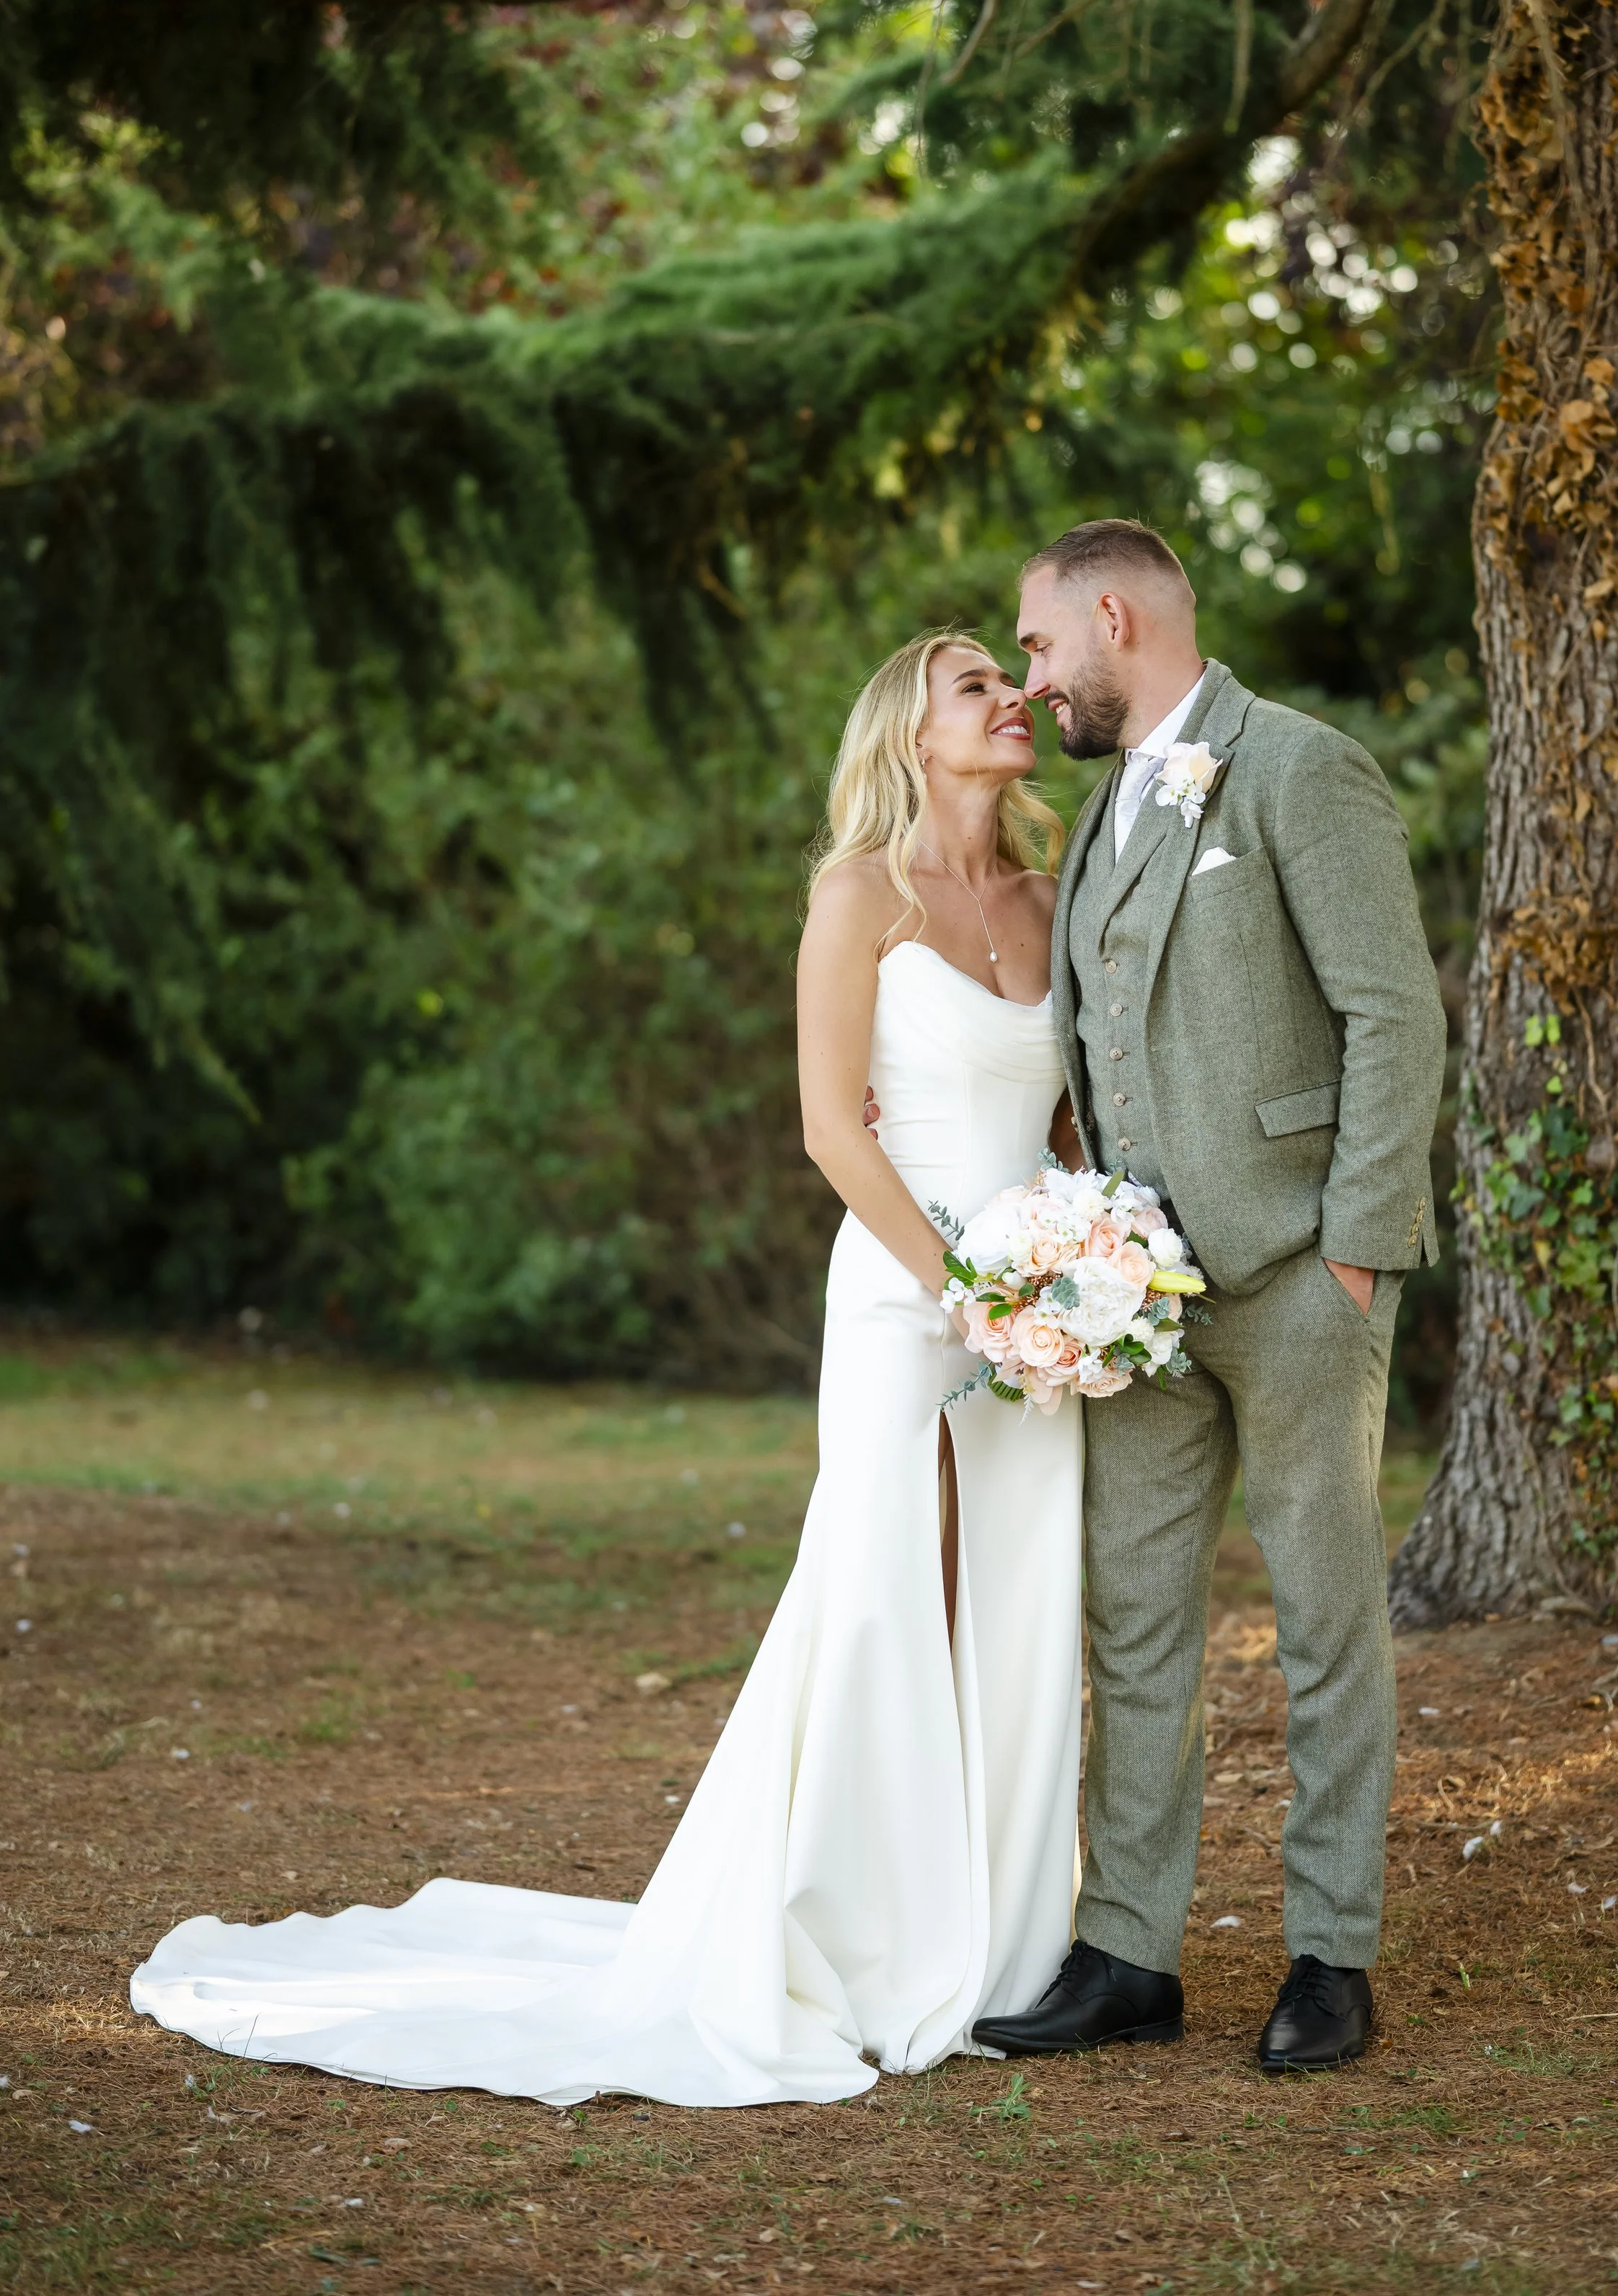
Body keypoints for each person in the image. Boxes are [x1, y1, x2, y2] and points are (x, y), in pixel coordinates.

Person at [130, 630, 1085, 2108]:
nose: (1011, 696)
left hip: (1040, 1312)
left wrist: (1078, 1267)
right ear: (910, 730)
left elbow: (1067, 1114)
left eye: (1007, 678)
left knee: (1017, 1600)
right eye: (975, 683)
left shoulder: (1051, 892)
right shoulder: (858, 895)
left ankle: (1008, 1950)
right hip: (909, 1298)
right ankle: (862, 1938)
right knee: (880, 1593)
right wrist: (957, 1285)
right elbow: (830, 1128)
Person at [968, 518, 1446, 2075]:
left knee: (1325, 1624)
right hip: (1138, 1303)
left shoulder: (1299, 768)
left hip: (1300, 1275)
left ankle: (1331, 1952)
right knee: (1133, 1621)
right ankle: (1127, 1951)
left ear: (1113, 617)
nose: (1033, 679)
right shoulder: (1102, 811)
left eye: (1041, 644)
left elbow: (1394, 1015)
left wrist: (1353, 1250)